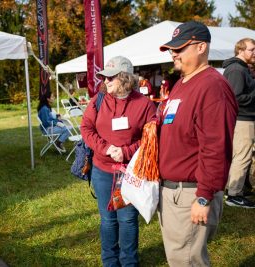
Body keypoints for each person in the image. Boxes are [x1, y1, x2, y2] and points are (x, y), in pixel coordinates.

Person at [158, 21, 238, 266]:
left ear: (201, 47)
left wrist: (203, 197)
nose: (174, 53)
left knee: (186, 261)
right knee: (180, 257)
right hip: (172, 191)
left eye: (180, 48)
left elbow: (216, 147)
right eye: (172, 49)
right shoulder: (182, 83)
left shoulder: (212, 86)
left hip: (190, 193)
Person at [80, 56, 157, 267]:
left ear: (124, 78)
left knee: (128, 220)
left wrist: (126, 152)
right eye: (104, 77)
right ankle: (110, 262)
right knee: (108, 220)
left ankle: (129, 262)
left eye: (110, 77)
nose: (105, 81)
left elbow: (151, 137)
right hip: (103, 171)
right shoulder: (98, 100)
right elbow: (86, 128)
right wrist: (105, 148)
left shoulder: (144, 104)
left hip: (131, 172)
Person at [222, 38, 255, 208]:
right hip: (242, 119)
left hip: (245, 118)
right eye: (252, 49)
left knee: (241, 156)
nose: (254, 53)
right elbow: (236, 97)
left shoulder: (241, 68)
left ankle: (236, 188)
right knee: (242, 156)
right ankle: (233, 194)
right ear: (241, 50)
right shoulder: (236, 69)